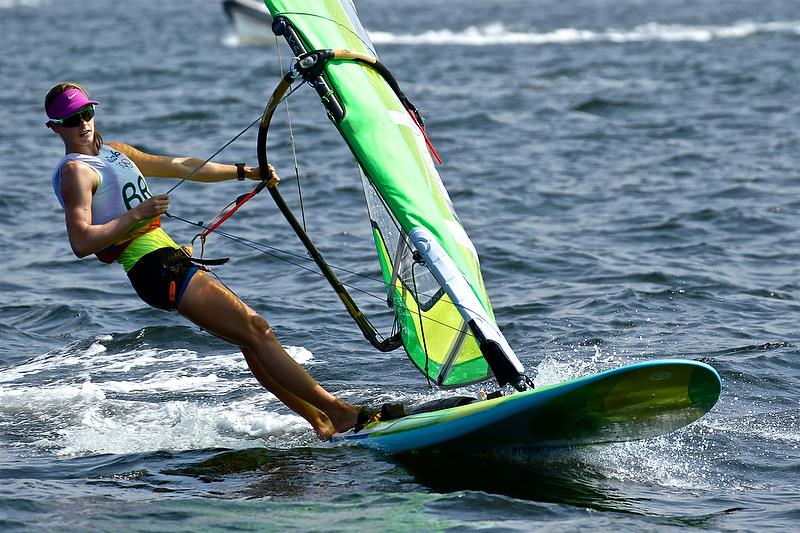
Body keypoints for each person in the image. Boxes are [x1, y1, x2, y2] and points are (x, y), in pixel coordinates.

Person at [45, 82, 361, 440]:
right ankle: (341, 414)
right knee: (258, 330)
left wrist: (244, 171)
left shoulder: (116, 151)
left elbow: (185, 167)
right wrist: (138, 215)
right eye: (72, 119)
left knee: (251, 338)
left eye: (87, 112)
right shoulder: (75, 171)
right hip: (151, 267)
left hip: (167, 257)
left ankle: (321, 422)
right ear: (56, 127)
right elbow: (81, 241)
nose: (84, 123)